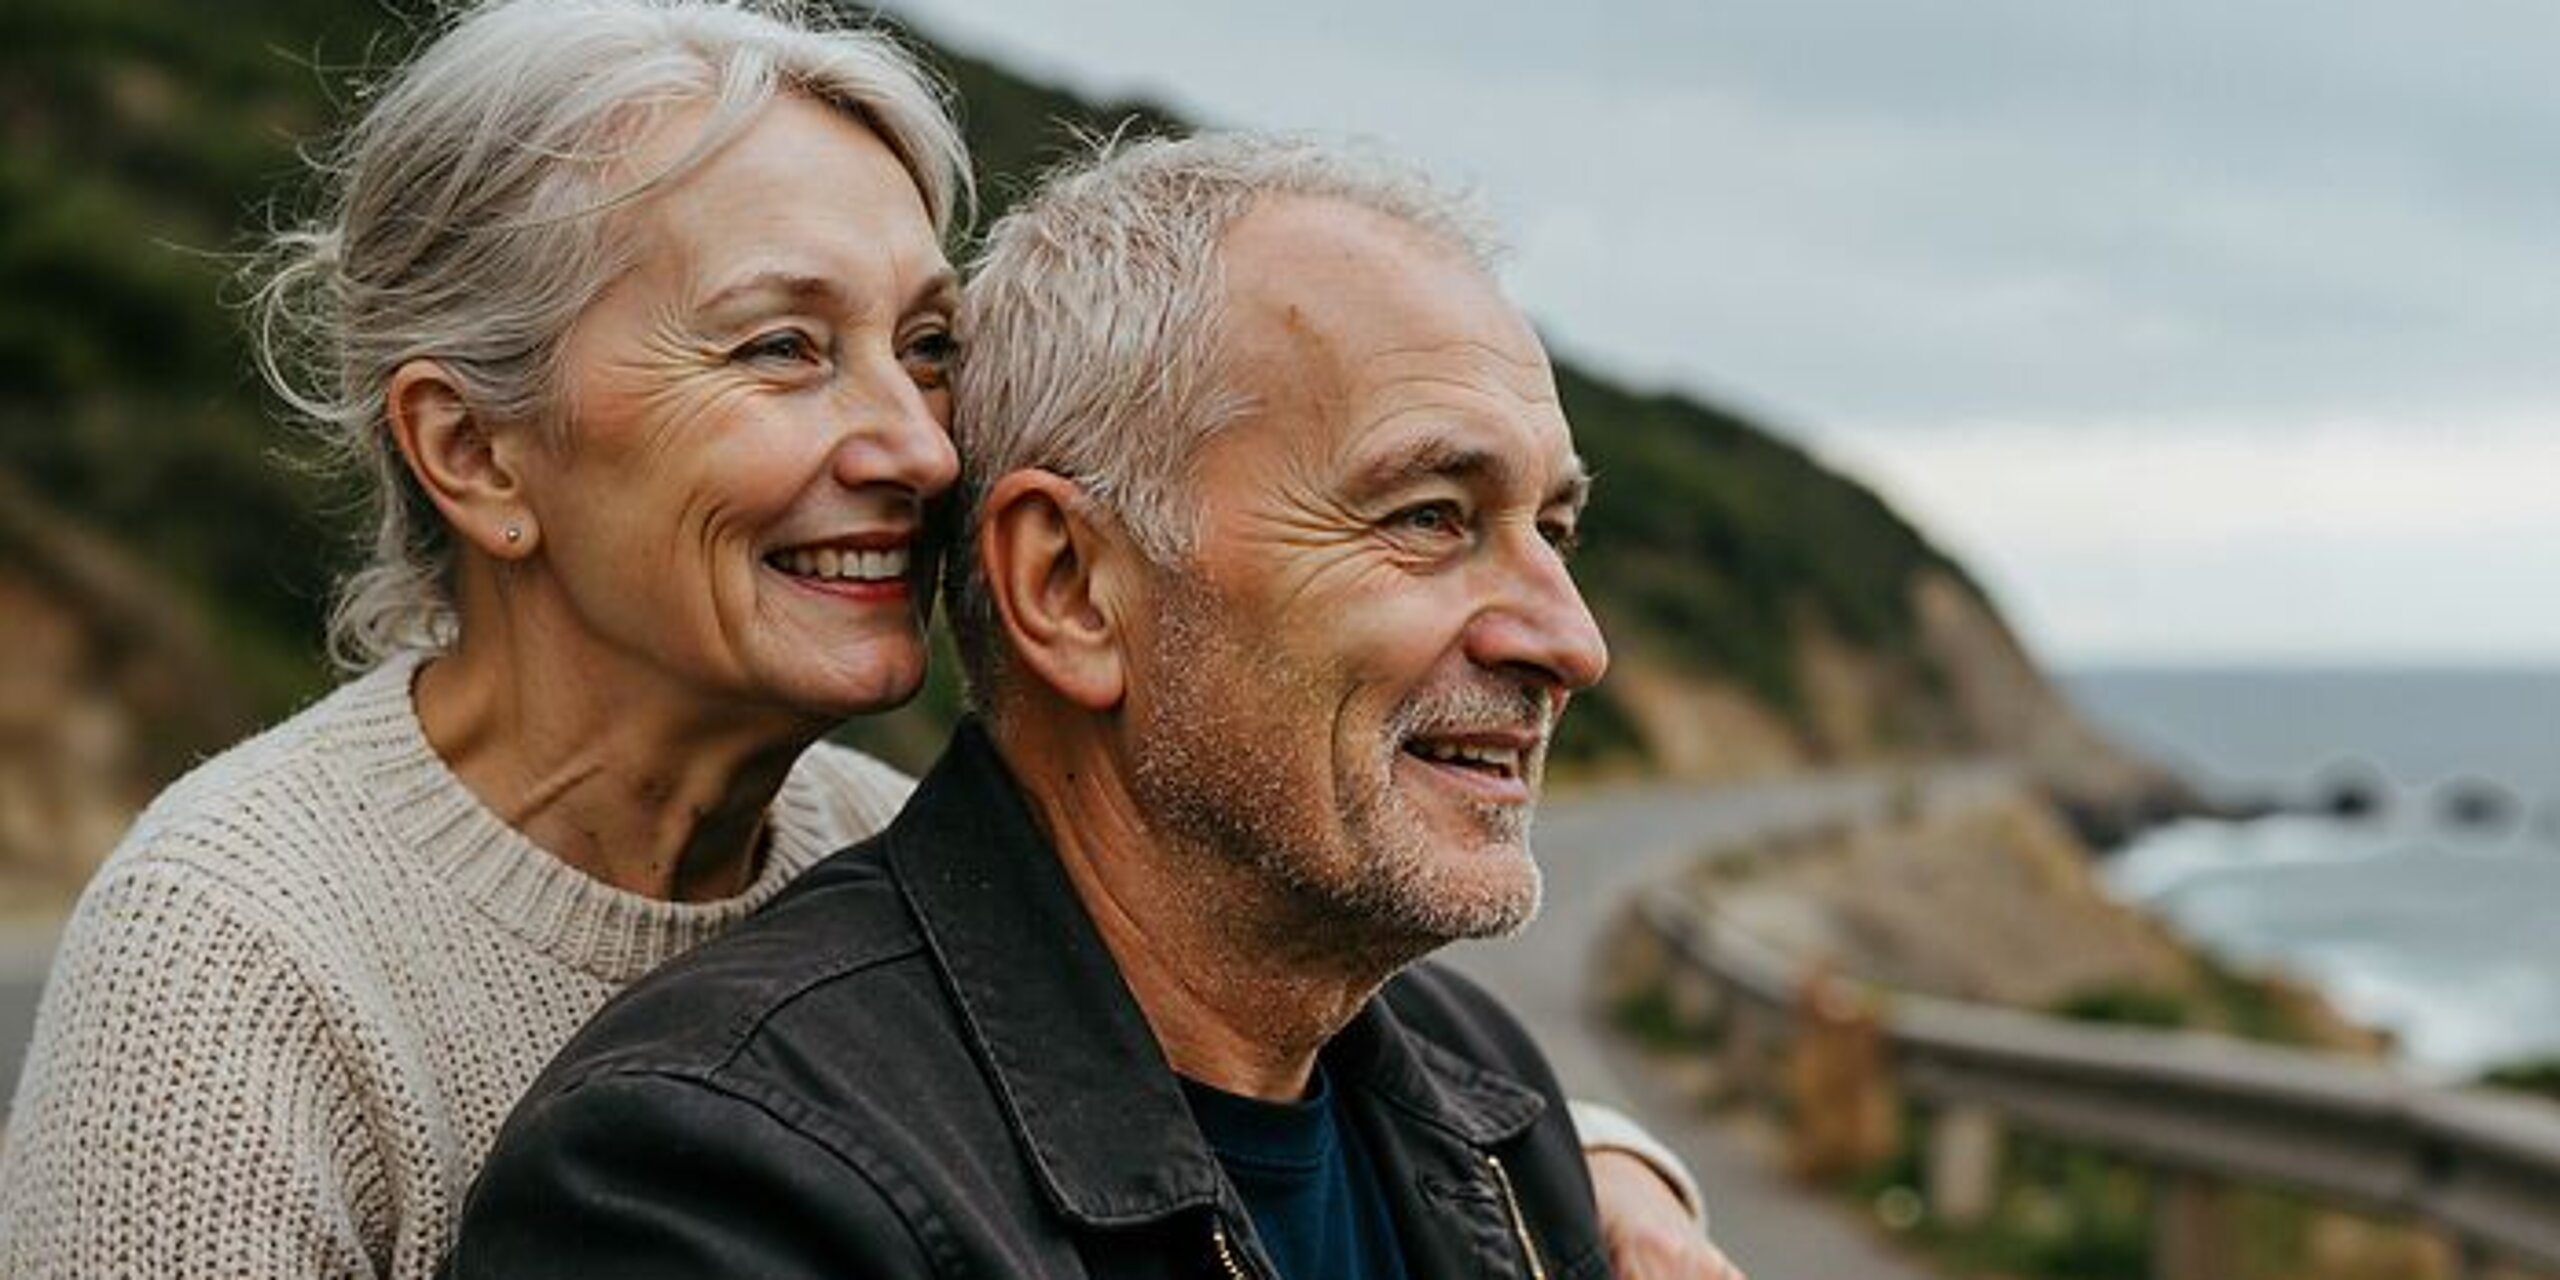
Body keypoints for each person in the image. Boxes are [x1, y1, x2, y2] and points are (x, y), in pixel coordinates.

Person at [0, 4, 1725, 1277]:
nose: (912, 444)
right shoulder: (235, 957)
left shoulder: (856, 828)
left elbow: (1168, 1042)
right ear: (473, 450)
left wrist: (1588, 1171)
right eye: (776, 351)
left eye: (922, 348)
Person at [446, 131, 1739, 1280]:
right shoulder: (720, 1176)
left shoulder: (1483, 1085)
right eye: (1428, 517)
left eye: (1552, 527)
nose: (1570, 640)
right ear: (1069, 585)